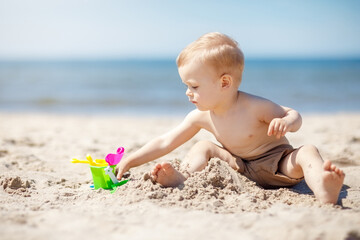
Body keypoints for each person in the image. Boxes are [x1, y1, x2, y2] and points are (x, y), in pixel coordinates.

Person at [116, 32, 345, 204]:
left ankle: (323, 188)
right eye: (186, 85)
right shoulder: (200, 117)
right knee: (203, 146)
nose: (187, 92)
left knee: (307, 151)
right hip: (239, 166)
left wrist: (286, 123)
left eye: (194, 86)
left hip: (278, 164)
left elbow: (293, 114)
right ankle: (182, 177)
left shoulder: (254, 106)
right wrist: (130, 160)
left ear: (224, 83)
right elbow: (166, 141)